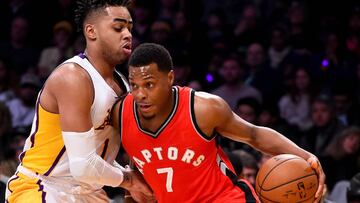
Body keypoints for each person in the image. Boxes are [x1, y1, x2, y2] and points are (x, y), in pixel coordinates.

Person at [112, 43, 326, 202]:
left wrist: (306, 156)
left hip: (224, 198)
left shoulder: (203, 108)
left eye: (149, 84)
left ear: (169, 78)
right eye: (134, 85)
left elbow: (254, 135)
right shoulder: (121, 113)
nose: (140, 94)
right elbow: (139, 162)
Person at [5, 0, 153, 202]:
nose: (127, 35)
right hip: (42, 186)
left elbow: (97, 157)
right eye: (118, 27)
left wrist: (132, 177)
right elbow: (83, 164)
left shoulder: (123, 85)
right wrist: (129, 180)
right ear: (91, 32)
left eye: (129, 28)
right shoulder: (73, 78)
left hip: (88, 190)